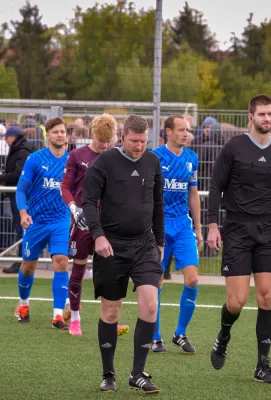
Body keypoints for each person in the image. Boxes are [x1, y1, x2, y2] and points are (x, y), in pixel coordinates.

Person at [207, 94, 271, 384]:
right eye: (262, 114)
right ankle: (224, 334)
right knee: (237, 301)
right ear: (250, 116)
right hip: (236, 230)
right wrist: (213, 226)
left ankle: (263, 365)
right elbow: (215, 186)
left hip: (267, 231)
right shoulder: (233, 148)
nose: (267, 119)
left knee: (267, 296)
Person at [82, 114, 164, 394]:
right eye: (134, 141)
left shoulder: (153, 162)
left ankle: (138, 373)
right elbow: (88, 202)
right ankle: (108, 374)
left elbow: (158, 204)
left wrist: (160, 241)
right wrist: (98, 235)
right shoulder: (103, 163)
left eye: (144, 141)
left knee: (150, 304)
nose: (140, 146)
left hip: (144, 244)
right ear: (122, 137)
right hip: (111, 245)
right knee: (111, 311)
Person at [60, 113, 128, 337]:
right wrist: (74, 209)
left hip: (107, 222)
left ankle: (111, 319)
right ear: (92, 135)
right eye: (101, 141)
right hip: (82, 221)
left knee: (111, 271)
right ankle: (76, 319)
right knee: (78, 269)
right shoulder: (77, 156)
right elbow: (66, 187)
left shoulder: (115, 157)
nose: (104, 145)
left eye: (108, 142)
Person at [151, 115, 202, 354]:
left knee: (192, 279)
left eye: (188, 130)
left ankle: (180, 333)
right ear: (168, 132)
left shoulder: (192, 158)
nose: (186, 134)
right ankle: (155, 336)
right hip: (159, 226)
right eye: (181, 130)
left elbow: (193, 195)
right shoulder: (154, 157)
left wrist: (199, 228)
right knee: (156, 282)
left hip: (183, 226)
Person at [14, 117, 71, 330]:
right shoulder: (35, 159)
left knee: (62, 261)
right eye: (55, 132)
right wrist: (23, 212)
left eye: (63, 132)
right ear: (48, 135)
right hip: (35, 222)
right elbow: (21, 190)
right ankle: (23, 304)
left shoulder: (71, 161)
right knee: (28, 267)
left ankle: (57, 315)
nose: (60, 135)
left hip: (61, 221)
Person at [0, 126, 37, 274]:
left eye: (7, 137)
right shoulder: (24, 148)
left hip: (21, 194)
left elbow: (19, 174)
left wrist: (2, 177)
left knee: (22, 228)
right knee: (24, 229)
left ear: (13, 137)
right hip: (23, 193)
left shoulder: (21, 150)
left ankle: (22, 261)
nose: (6, 140)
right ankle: (24, 260)